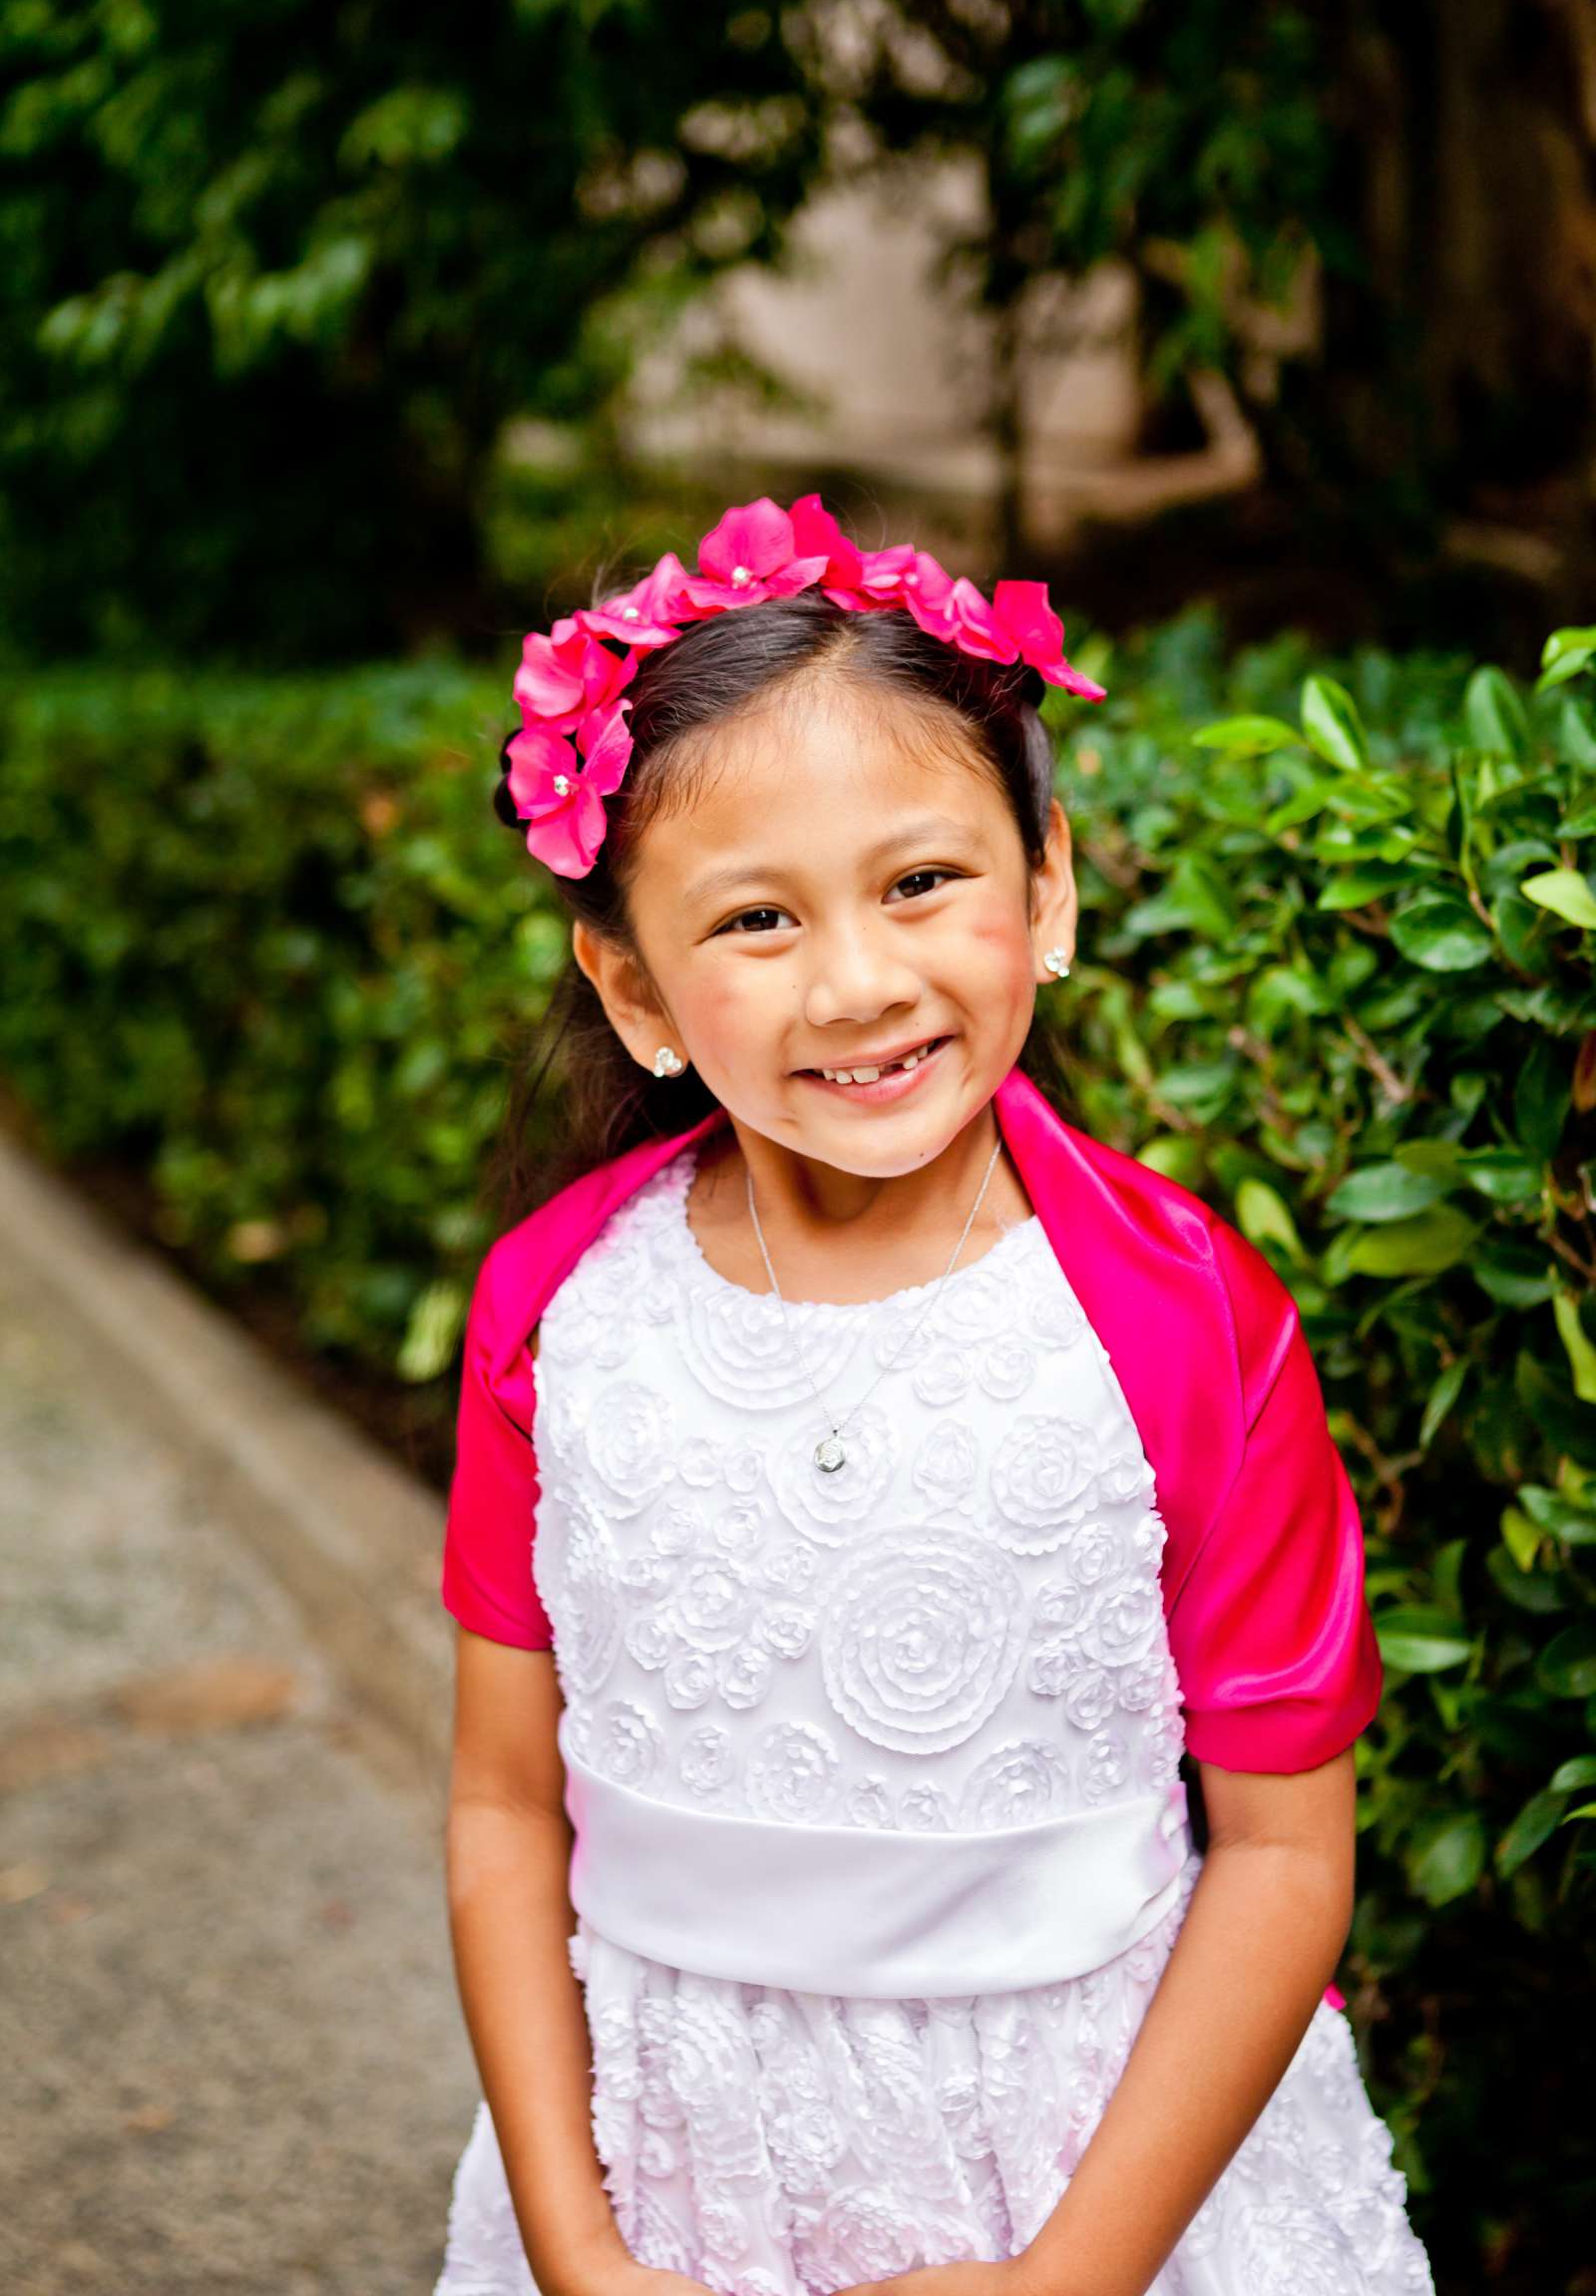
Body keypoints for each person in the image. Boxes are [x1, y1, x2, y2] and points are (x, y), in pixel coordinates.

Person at [432, 495, 1434, 2296]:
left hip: (1097, 2175)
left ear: (1043, 883)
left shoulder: (1183, 1315)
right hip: (671, 2172)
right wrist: (578, 2252)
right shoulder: (554, 1317)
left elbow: (1284, 1847)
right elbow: (505, 1803)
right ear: (635, 985)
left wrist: (1068, 2279)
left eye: (921, 880)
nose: (860, 981)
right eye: (753, 917)